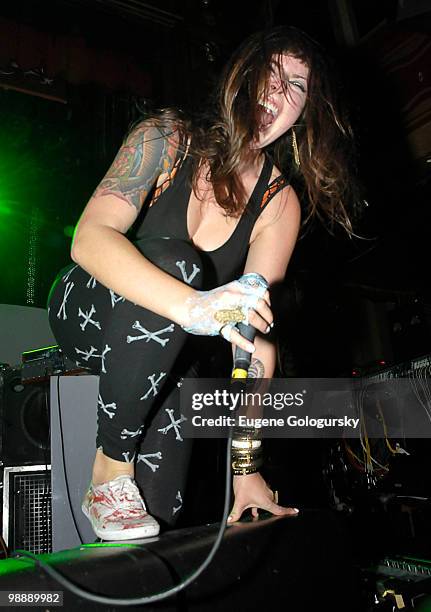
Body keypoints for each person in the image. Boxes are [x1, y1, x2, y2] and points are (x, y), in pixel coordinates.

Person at [47, 25, 357, 540]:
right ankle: (110, 466)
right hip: (88, 307)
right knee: (178, 265)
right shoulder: (165, 137)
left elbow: (255, 340)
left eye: (298, 85)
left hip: (162, 352)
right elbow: (90, 239)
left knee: (155, 527)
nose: (281, 92)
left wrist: (246, 466)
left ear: (305, 110)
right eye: (273, 74)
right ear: (242, 76)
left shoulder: (279, 204)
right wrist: (193, 306)